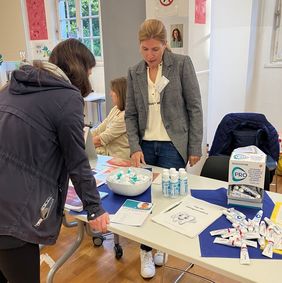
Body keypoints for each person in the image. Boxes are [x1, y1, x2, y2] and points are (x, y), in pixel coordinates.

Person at [0, 39, 109, 283]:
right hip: (12, 211)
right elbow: (77, 162)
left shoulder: (12, 86)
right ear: (80, 70)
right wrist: (95, 209)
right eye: (89, 73)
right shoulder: (67, 97)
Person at [125, 19, 203, 278]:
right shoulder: (134, 72)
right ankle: (146, 251)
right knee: (145, 201)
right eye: (145, 49)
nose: (150, 55)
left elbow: (194, 107)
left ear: (165, 45)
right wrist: (134, 146)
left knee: (169, 201)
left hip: (173, 145)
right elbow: (131, 115)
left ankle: (160, 246)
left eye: (155, 50)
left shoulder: (181, 64)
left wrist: (195, 145)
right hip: (146, 145)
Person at [92, 77, 130, 160]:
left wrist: (80, 144)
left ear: (120, 93)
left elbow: (101, 139)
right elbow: (98, 130)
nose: (110, 94)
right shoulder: (115, 109)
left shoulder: (126, 116)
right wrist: (84, 137)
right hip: (108, 157)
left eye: (113, 91)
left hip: (120, 161)